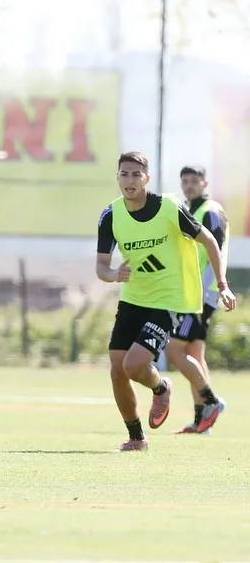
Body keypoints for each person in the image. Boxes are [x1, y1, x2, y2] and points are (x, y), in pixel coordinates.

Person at [96, 151, 236, 451]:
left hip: (169, 301)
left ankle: (167, 390)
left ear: (147, 178)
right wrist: (113, 274)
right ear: (117, 177)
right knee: (117, 369)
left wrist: (222, 285)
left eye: (136, 174)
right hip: (133, 299)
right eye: (124, 174)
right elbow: (101, 267)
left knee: (136, 365)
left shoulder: (169, 207)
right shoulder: (110, 215)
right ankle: (137, 438)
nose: (130, 180)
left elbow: (209, 240)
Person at [166, 165, 228, 434]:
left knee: (174, 349)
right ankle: (202, 421)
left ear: (205, 183)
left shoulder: (211, 211)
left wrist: (211, 288)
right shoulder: (191, 211)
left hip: (202, 293)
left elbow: (215, 248)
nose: (189, 185)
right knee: (194, 353)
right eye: (185, 181)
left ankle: (212, 402)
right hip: (194, 292)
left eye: (194, 181)